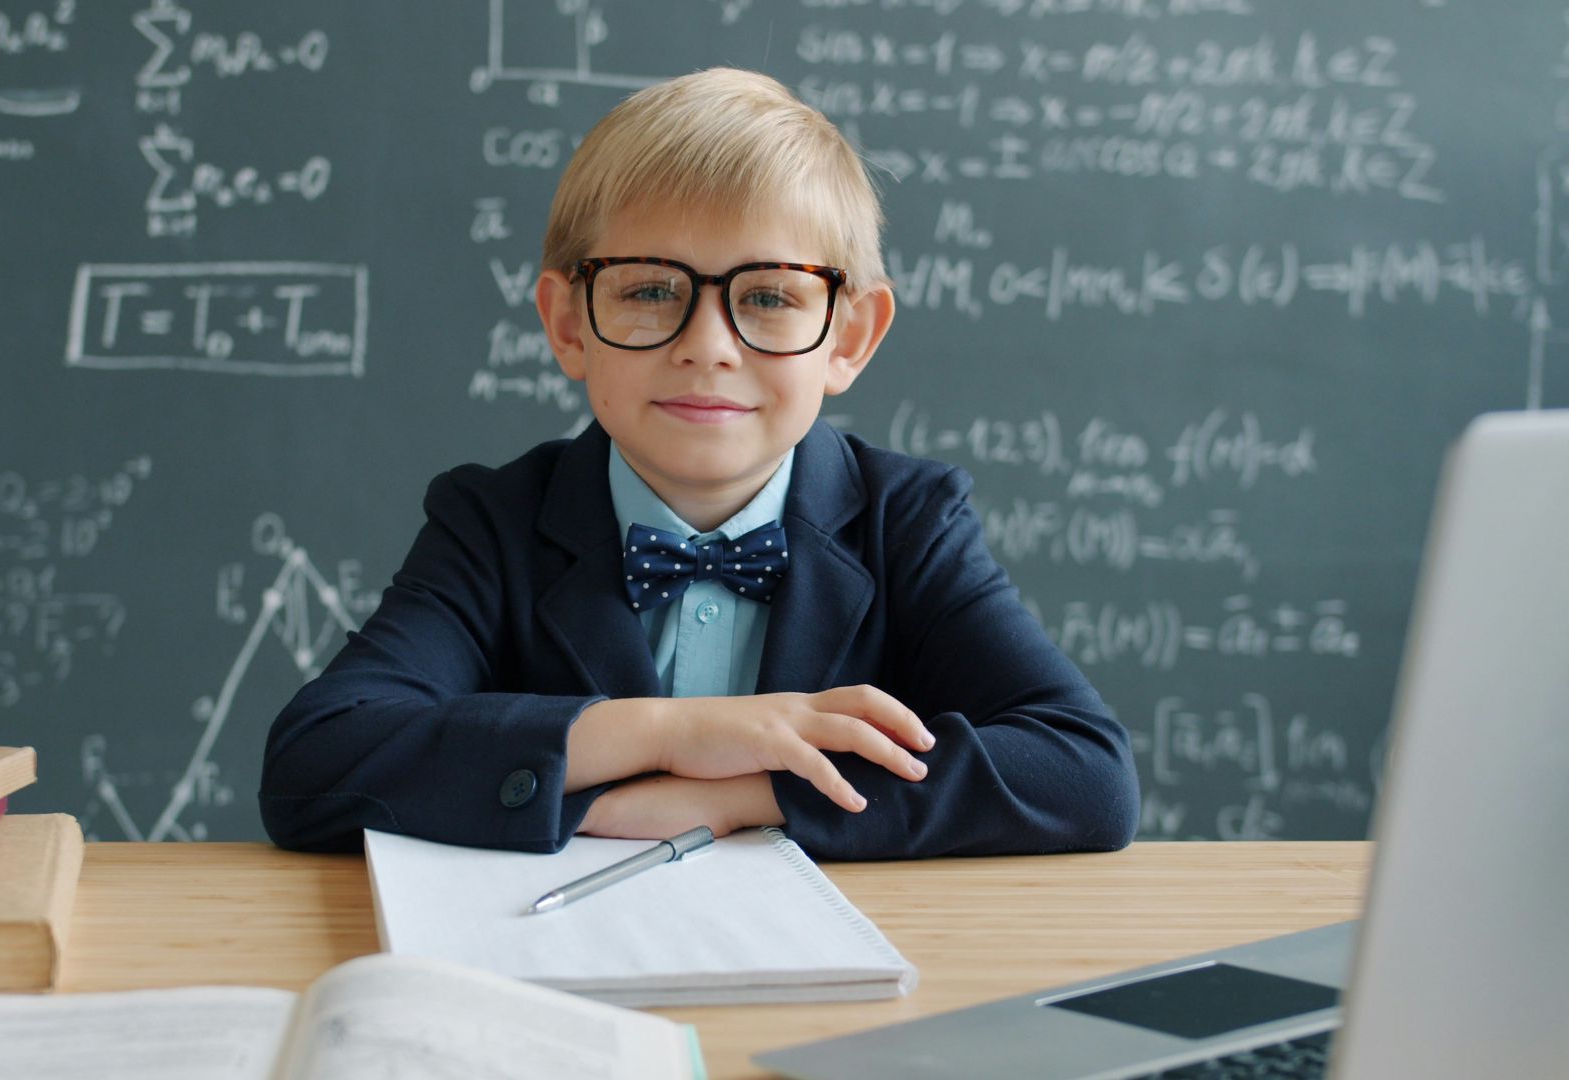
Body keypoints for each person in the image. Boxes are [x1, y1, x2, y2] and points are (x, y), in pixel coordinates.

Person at [260, 68, 1138, 859]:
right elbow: (317, 762)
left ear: (849, 337)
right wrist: (671, 732)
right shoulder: (493, 523)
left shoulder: (905, 520)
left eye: (768, 296)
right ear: (568, 326)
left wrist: (745, 797)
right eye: (649, 290)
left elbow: (1084, 773)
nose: (708, 346)